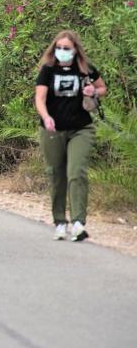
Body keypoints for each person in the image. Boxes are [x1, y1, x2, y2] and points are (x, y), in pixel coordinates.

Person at [35, 30, 106, 241]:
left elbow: (102, 88)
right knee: (56, 174)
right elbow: (39, 98)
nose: (62, 52)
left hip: (81, 128)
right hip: (53, 129)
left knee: (76, 172)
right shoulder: (48, 70)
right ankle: (59, 222)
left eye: (66, 48)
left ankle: (78, 222)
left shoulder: (85, 69)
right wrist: (46, 117)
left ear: (75, 50)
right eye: (59, 48)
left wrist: (93, 90)